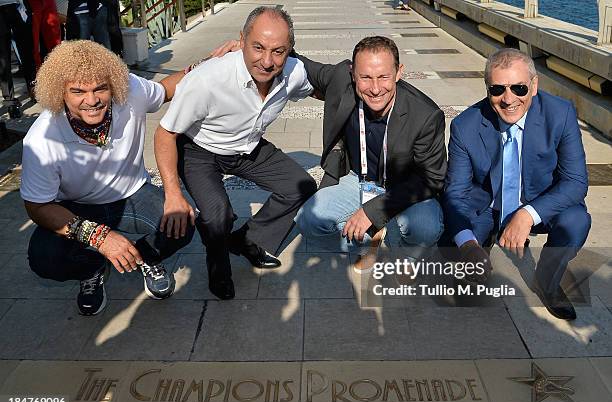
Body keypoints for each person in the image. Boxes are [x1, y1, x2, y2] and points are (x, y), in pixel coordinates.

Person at [21, 40, 194, 316]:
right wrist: (98, 237)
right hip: (74, 208)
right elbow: (37, 207)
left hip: (132, 195)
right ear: (59, 92)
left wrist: (210, 63)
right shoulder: (42, 139)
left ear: (113, 84)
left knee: (180, 223)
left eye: (100, 88)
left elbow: (167, 89)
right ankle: (91, 269)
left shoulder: (132, 90)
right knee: (44, 258)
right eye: (78, 91)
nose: (91, 100)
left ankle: (145, 258)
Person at [154, 6, 317, 300]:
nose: (267, 61)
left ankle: (245, 240)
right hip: (199, 151)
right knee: (218, 215)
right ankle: (218, 265)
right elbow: (165, 133)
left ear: (290, 51)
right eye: (258, 47)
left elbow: (322, 88)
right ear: (241, 40)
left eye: (278, 51)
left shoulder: (293, 73)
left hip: (247, 146)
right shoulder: (207, 79)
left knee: (300, 186)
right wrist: (172, 193)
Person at [442, 48, 590, 320]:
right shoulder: (465, 125)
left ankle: (547, 280)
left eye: (519, 88)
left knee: (576, 221)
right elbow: (456, 193)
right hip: (488, 205)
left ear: (534, 86)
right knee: (453, 241)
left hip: (538, 201)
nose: (508, 99)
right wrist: (467, 244)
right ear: (487, 89)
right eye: (497, 89)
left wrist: (527, 214)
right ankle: (481, 245)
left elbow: (576, 182)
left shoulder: (560, 114)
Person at [292, 36, 446, 271]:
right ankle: (366, 243)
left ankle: (407, 256)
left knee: (426, 228)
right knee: (309, 220)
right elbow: (300, 64)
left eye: (384, 76)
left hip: (405, 186)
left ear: (399, 72)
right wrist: (248, 47)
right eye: (365, 77)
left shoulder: (425, 115)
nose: (375, 89)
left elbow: (432, 178)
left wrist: (373, 212)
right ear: (353, 73)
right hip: (358, 179)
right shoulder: (340, 79)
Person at [0, 0, 36, 118]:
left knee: (27, 52)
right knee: (3, 59)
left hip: (18, 6)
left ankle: (33, 89)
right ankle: (10, 103)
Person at [28, 0, 61, 69]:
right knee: (33, 41)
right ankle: (37, 72)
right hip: (31, 3)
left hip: (49, 3)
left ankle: (58, 68)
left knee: (54, 38)